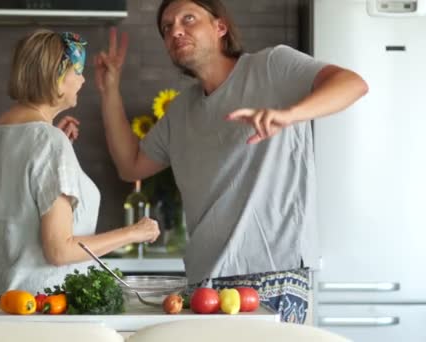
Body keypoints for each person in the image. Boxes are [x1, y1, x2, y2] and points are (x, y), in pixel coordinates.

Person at [95, 0, 368, 323]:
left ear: (220, 27)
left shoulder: (272, 66)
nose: (175, 31)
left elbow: (353, 83)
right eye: (167, 27)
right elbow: (131, 166)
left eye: (188, 19)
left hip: (272, 275)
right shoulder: (180, 111)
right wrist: (109, 90)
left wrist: (289, 115)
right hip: (205, 281)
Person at [0, 30, 160, 296]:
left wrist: (58, 152)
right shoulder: (48, 141)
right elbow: (60, 251)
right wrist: (135, 232)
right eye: (78, 71)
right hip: (42, 309)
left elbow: (21, 195)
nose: (83, 80)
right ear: (57, 77)